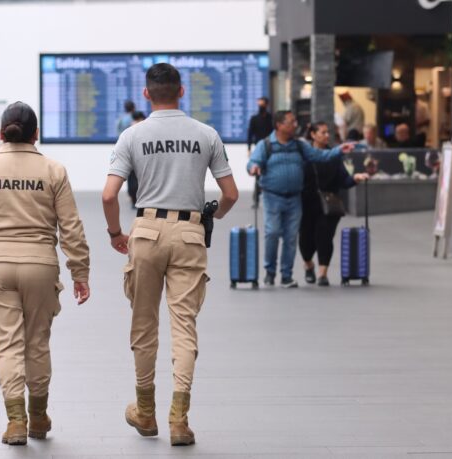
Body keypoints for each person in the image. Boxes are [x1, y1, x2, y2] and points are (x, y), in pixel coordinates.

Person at [102, 63, 238, 446]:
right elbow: (229, 194)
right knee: (184, 326)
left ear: (147, 94)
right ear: (181, 92)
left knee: (144, 326)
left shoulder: (132, 135)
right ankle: (179, 419)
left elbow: (109, 195)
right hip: (190, 234)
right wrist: (214, 216)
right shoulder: (205, 134)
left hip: (145, 231)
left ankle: (145, 412)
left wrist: (116, 233)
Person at [0, 101, 90, 446]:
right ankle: (38, 417)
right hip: (41, 265)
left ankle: (15, 422)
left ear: (1, 133)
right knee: (37, 344)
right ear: (36, 135)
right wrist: (79, 271)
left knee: (8, 345)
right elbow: (71, 226)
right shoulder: (54, 171)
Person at [247, 111, 355, 288]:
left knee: (290, 238)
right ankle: (270, 271)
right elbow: (252, 163)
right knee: (273, 232)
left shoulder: (299, 146)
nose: (295, 124)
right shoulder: (266, 145)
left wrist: (338, 150)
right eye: (291, 122)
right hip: (272, 196)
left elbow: (320, 155)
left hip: (294, 198)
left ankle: (287, 275)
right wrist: (254, 167)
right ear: (279, 125)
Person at [300, 122, 369, 286]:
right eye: (322, 132)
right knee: (306, 240)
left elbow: (344, 180)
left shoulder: (335, 155)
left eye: (327, 132)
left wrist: (355, 178)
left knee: (324, 236)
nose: (327, 135)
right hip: (307, 203)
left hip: (330, 203)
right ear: (313, 135)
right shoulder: (304, 155)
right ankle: (308, 264)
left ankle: (322, 273)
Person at [126, 111, 147, 208]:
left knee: (133, 181)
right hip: (140, 158)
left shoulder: (130, 127)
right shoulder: (144, 127)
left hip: (133, 157)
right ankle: (135, 200)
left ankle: (134, 200)